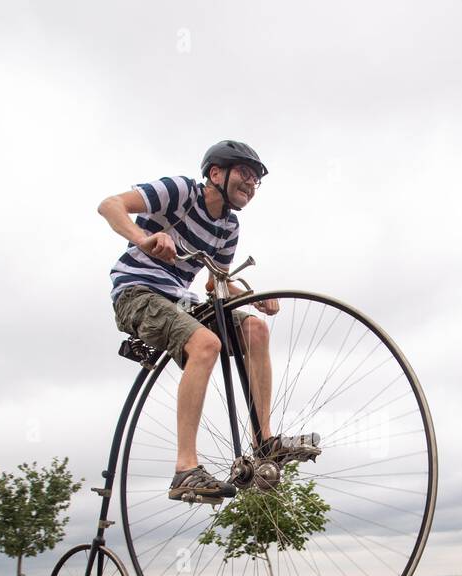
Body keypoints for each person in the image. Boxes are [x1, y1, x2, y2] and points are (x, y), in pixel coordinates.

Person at [98, 140, 319, 502]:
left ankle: (264, 441)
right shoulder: (181, 192)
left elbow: (215, 281)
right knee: (206, 342)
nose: (250, 184)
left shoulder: (228, 228)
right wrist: (145, 237)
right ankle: (185, 469)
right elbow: (110, 206)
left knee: (254, 329)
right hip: (136, 293)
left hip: (180, 302)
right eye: (245, 174)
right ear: (216, 173)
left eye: (256, 180)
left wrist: (251, 296)